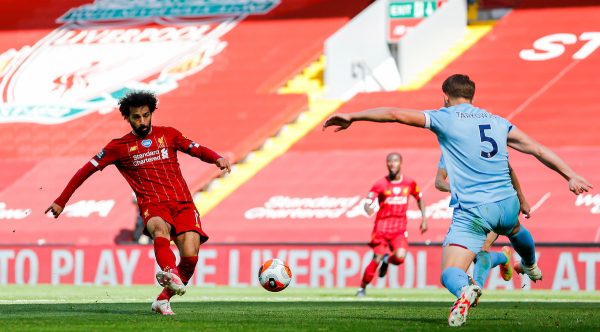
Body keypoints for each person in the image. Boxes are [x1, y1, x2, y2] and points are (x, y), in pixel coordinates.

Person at [323, 74, 592, 326]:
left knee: (450, 272)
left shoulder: (445, 117)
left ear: (445, 96)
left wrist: (352, 116)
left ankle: (465, 289)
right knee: (514, 229)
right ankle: (530, 264)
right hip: (507, 202)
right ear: (472, 96)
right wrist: (570, 175)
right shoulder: (498, 121)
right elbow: (536, 148)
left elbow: (394, 114)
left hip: (475, 211)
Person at [45, 91, 231, 315]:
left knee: (190, 257)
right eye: (136, 117)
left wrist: (216, 158)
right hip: (153, 204)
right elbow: (86, 170)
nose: (142, 121)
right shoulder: (118, 147)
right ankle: (169, 270)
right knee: (159, 229)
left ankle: (163, 300)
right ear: (128, 118)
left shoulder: (169, 135)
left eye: (145, 115)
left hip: (183, 203)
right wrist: (61, 200)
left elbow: (196, 148)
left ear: (151, 113)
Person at [436, 156, 532, 298]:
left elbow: (509, 170)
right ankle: (502, 258)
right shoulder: (450, 147)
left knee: (483, 249)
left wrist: (522, 199)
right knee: (473, 258)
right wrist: (453, 188)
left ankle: (475, 289)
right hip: (471, 210)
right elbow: (439, 181)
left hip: (497, 204)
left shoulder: (485, 143)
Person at [356, 152, 427, 297]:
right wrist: (368, 208)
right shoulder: (380, 184)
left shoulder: (409, 183)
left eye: (395, 161)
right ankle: (362, 288)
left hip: (399, 229)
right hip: (381, 227)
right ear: (387, 164)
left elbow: (419, 198)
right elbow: (367, 203)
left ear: (401, 163)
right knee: (376, 258)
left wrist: (424, 218)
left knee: (400, 257)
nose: (392, 164)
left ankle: (387, 260)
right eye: (389, 161)